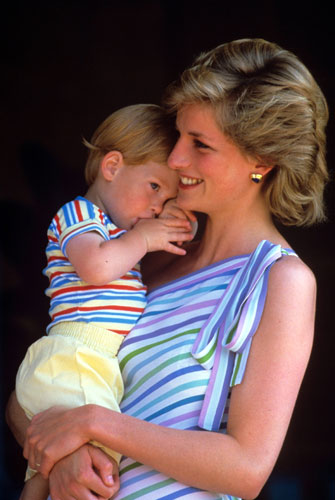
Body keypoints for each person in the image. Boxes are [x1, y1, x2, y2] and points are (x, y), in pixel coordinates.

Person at [7, 38, 329, 500]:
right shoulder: (143, 257)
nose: (176, 159)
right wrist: (63, 456)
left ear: (260, 163)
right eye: (179, 135)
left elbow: (246, 468)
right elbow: (28, 396)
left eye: (200, 144)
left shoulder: (279, 281)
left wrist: (95, 424)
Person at [13, 103, 195, 500]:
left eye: (166, 199)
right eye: (154, 187)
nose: (156, 208)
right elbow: (95, 266)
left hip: (89, 364)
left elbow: (178, 228)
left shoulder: (118, 234)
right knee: (101, 471)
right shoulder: (78, 214)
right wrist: (145, 238)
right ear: (111, 166)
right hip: (74, 356)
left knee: (44, 469)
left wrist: (177, 219)